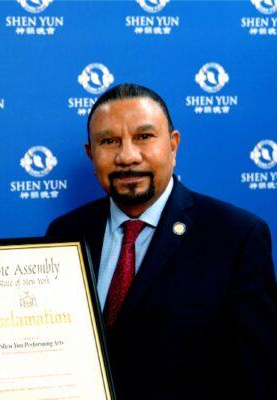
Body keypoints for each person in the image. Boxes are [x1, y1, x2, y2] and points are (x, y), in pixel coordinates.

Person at [46, 83, 277, 399]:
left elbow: (258, 378)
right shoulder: (64, 233)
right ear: (91, 153)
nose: (127, 156)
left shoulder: (236, 236)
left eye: (144, 137)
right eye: (109, 141)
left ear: (173, 145)